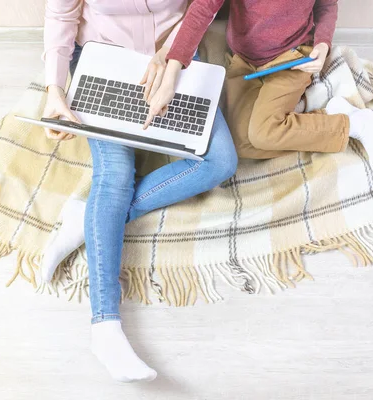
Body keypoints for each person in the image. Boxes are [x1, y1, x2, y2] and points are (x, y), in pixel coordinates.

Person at [41, 0, 238, 383]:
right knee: (113, 177)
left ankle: (88, 217)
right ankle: (104, 325)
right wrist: (55, 90)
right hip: (103, 58)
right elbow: (61, 15)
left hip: (176, 56)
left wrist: (172, 55)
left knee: (219, 162)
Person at [147, 0, 373, 176]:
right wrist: (171, 77)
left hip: (292, 58)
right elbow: (202, 9)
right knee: (240, 145)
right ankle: (325, 117)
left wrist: (322, 44)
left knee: (263, 134)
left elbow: (326, 6)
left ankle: (358, 125)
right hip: (244, 61)